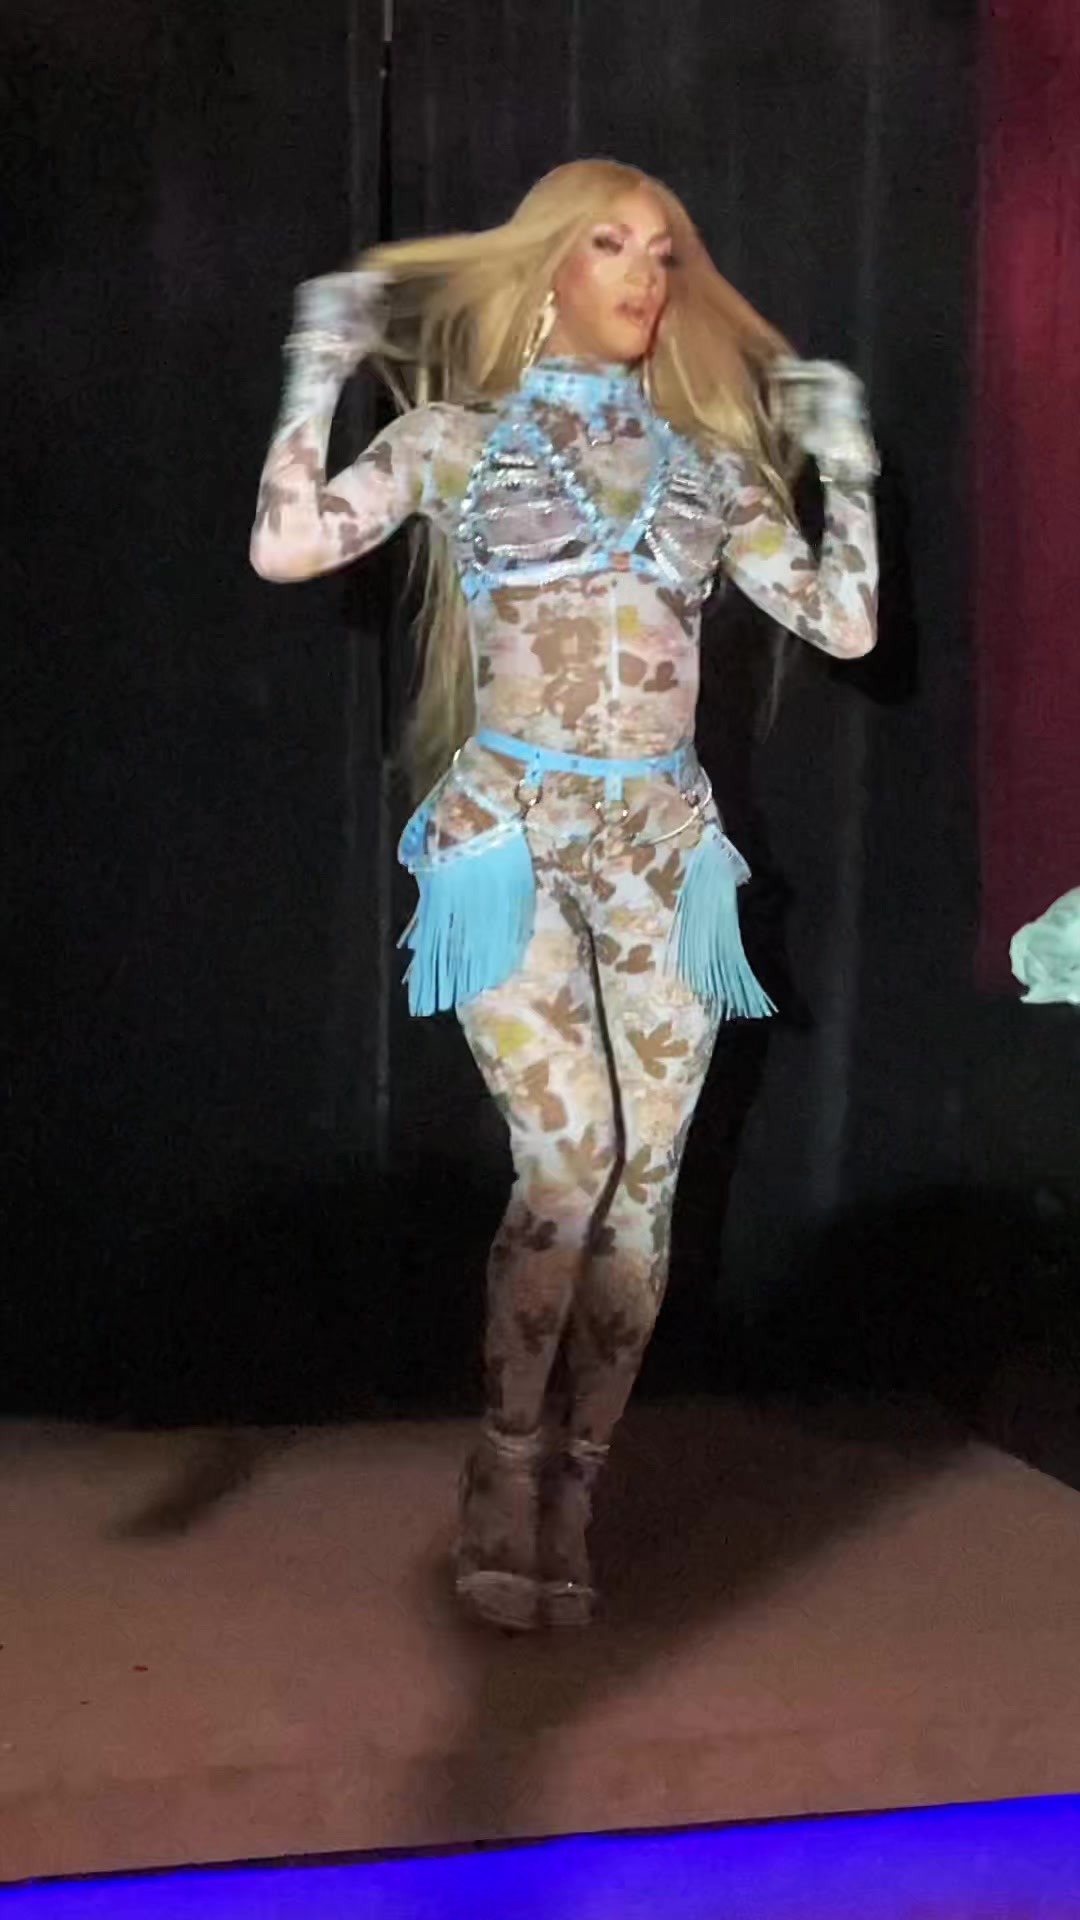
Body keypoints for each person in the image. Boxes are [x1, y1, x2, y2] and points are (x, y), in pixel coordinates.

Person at [250, 159, 878, 1632]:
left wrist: (843, 469)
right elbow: (288, 544)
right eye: (609, 245)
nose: (645, 275)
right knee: (569, 1160)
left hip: (667, 849)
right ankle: (503, 1466)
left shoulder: (708, 471)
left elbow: (845, 624)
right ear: (548, 269)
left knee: (646, 1186)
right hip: (507, 840)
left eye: (662, 252)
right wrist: (318, 370)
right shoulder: (455, 442)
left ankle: (573, 1486)